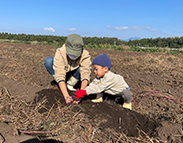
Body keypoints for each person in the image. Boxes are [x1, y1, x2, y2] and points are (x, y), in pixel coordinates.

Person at [44, 34, 91, 104]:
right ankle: (60, 83)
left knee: (80, 69)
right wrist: (66, 96)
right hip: (63, 71)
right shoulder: (60, 52)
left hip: (74, 73)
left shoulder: (85, 55)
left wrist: (80, 94)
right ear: (66, 46)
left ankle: (70, 84)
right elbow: (59, 73)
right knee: (49, 61)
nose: (73, 56)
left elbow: (85, 74)